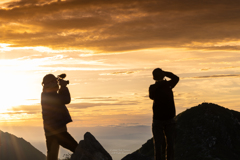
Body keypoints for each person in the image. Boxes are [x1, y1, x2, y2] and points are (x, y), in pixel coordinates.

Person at [41, 74, 78, 160]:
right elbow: (65, 99)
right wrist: (64, 87)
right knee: (77, 149)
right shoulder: (49, 95)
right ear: (48, 83)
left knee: (52, 156)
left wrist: (62, 87)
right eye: (54, 81)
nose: (56, 83)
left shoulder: (47, 94)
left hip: (51, 131)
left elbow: (60, 99)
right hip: (58, 131)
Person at [149, 68, 179, 160]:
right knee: (170, 144)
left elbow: (151, 97)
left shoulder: (152, 88)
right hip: (169, 119)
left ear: (153, 77)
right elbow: (176, 78)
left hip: (158, 119)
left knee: (158, 145)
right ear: (162, 76)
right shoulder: (168, 85)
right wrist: (165, 73)